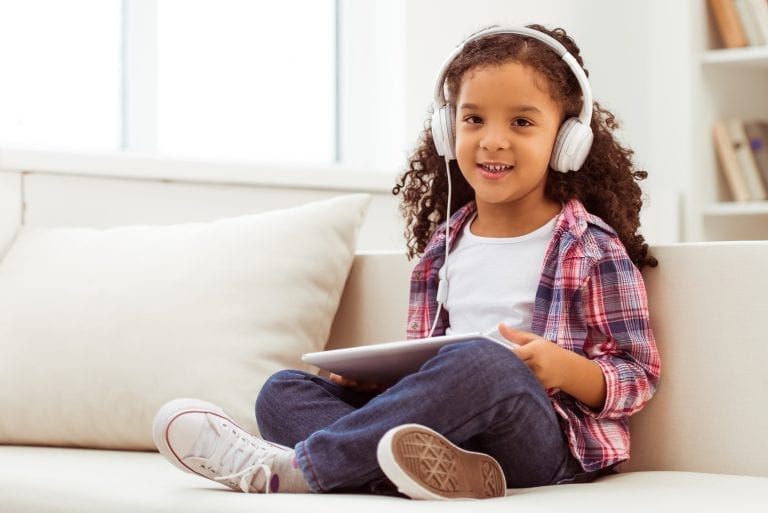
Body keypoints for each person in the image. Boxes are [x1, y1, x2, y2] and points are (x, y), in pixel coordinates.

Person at [152, 24, 661, 500]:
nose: (492, 140)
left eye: (522, 122)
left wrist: (565, 368)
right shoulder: (443, 247)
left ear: (568, 140)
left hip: (539, 443)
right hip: (442, 437)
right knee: (281, 392)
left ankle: (302, 470)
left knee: (485, 362)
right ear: (446, 130)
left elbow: (638, 373)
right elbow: (433, 370)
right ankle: (412, 474)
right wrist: (385, 384)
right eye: (473, 119)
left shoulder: (588, 245)